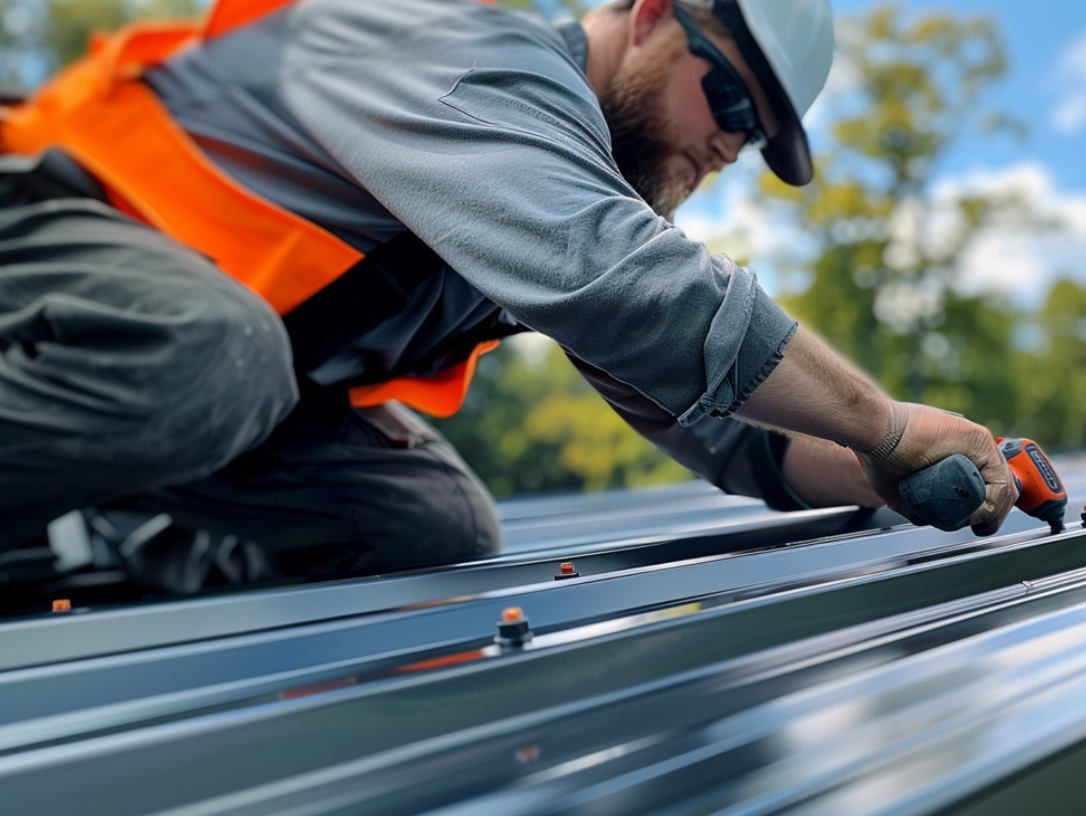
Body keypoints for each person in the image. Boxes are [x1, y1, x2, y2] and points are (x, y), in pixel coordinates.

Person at [0, 0, 1015, 594]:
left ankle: (93, 557)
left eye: (751, 139)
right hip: (43, 237)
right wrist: (886, 422)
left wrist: (875, 473)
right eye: (733, 101)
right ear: (654, 14)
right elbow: (629, 282)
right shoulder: (486, 61)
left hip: (182, 371)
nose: (727, 145)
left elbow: (729, 428)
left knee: (433, 527)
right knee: (213, 353)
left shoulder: (558, 193)